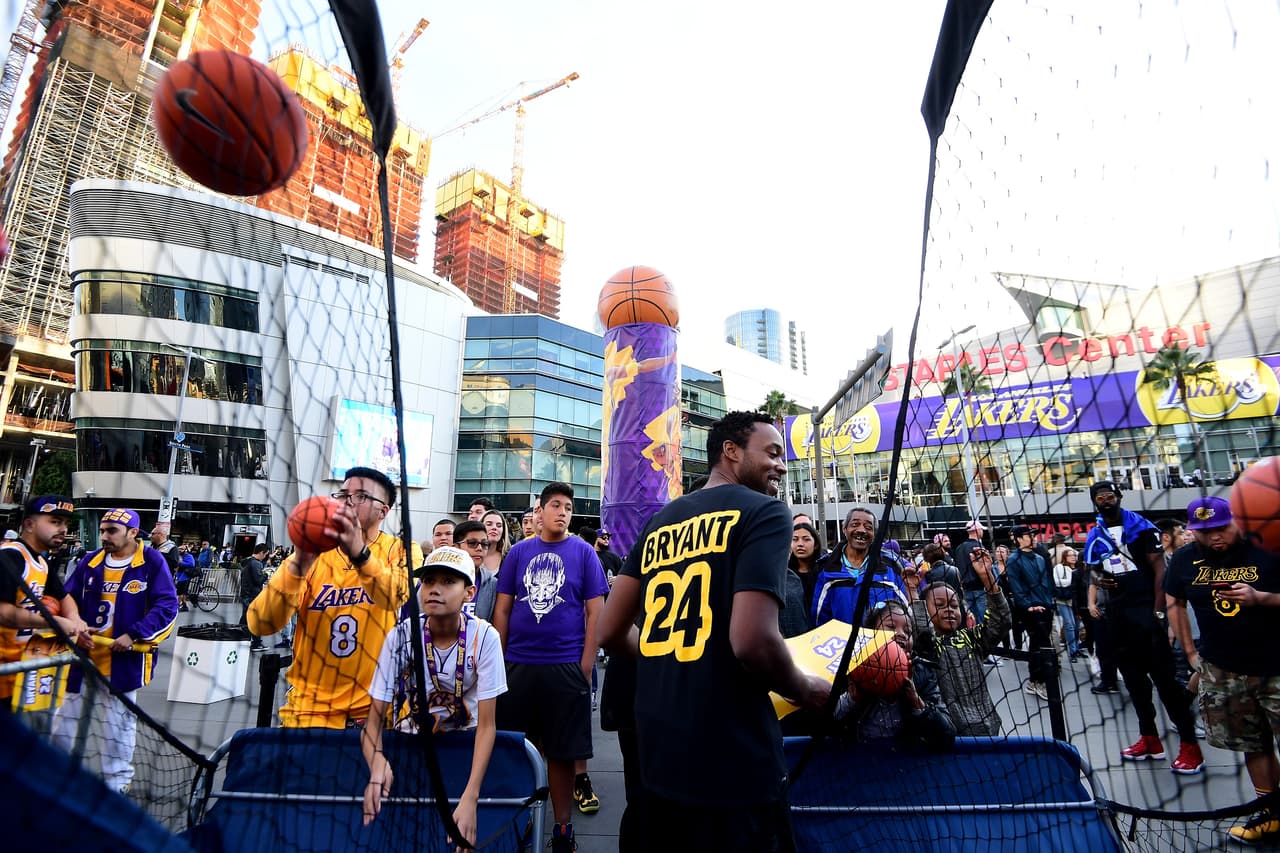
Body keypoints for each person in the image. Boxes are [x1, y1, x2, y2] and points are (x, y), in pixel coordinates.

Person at [598, 411, 830, 853]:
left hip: (660, 754)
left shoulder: (661, 521)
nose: (781, 466)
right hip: (733, 762)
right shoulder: (765, 512)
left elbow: (609, 630)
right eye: (772, 453)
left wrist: (668, 657)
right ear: (731, 451)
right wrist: (804, 688)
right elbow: (752, 641)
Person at [247, 467, 420, 728]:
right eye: (342, 494)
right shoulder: (309, 556)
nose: (347, 502)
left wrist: (359, 553)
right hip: (309, 711)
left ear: (383, 511)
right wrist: (299, 565)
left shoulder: (401, 549)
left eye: (360, 496)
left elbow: (393, 597)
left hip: (376, 710)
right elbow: (260, 624)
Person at [361, 546, 507, 848]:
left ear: (469, 593)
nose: (435, 589)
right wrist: (376, 762)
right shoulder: (401, 636)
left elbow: (487, 725)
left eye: (448, 581)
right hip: (412, 746)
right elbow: (372, 723)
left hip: (465, 745)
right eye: (428, 581)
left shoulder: (485, 637)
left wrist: (471, 797)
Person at [493, 482, 610, 852]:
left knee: (562, 754)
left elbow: (595, 612)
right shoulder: (518, 553)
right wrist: (499, 662)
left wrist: (585, 666)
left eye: (568, 507)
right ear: (540, 511)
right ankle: (520, 824)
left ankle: (562, 829)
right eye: (556, 505)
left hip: (566, 668)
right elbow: (503, 609)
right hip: (518, 666)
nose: (563, 512)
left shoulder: (584, 553)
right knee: (518, 751)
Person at [1166, 496, 1279, 842]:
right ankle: (1271, 814)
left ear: (1236, 522)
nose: (1214, 536)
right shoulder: (1184, 559)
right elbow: (1174, 602)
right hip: (1224, 670)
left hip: (1276, 665)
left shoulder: (1268, 549)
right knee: (1252, 743)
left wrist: (1262, 598)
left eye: (1220, 528)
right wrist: (1190, 653)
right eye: (1204, 531)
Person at [52, 507, 178, 792]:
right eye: (102, 531)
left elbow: (167, 606)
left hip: (122, 660)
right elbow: (68, 597)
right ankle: (55, 770)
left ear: (133, 532)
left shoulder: (151, 561)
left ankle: (117, 781)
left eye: (112, 531)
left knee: (118, 723)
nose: (104, 536)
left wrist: (135, 634)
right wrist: (75, 626)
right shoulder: (91, 560)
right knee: (66, 717)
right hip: (85, 655)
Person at [1082, 480, 1201, 772]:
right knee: (1134, 682)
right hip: (1117, 614)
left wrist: (1158, 612)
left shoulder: (1142, 528)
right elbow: (1092, 570)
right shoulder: (1095, 533)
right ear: (1094, 501)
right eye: (1100, 497)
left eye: (1110, 495)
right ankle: (1150, 739)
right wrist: (1100, 580)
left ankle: (1190, 746)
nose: (1106, 500)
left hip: (1146, 611)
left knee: (1166, 682)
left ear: (1119, 497)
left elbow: (1160, 570)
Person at [0, 496, 89, 710]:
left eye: (65, 523)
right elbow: (3, 612)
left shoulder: (41, 562)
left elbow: (64, 597)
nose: (63, 529)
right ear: (29, 524)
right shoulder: (11, 557)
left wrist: (75, 621)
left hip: (20, 672)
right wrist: (54, 622)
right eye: (55, 521)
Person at [911, 548, 1010, 736]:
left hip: (988, 730)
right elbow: (921, 630)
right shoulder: (926, 647)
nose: (949, 609)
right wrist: (912, 593)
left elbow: (1001, 621)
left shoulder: (972, 638)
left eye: (954, 605)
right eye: (940, 605)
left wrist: (987, 576)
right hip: (949, 734)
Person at [836, 599, 954, 751]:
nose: (901, 634)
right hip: (854, 757)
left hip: (905, 760)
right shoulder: (849, 666)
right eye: (891, 627)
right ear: (870, 632)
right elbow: (820, 724)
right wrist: (851, 700)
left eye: (908, 631)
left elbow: (947, 735)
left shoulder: (923, 672)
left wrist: (917, 703)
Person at [812, 507, 907, 627]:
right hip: (841, 639)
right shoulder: (826, 568)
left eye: (868, 527)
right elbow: (819, 619)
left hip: (881, 639)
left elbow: (905, 614)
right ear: (844, 529)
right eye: (855, 524)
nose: (861, 530)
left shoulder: (892, 567)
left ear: (874, 534)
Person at [1005, 525, 1054, 701]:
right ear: (1018, 539)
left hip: (1045, 606)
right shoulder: (1014, 560)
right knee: (1041, 644)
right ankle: (1038, 681)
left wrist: (1048, 601)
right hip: (1031, 609)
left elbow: (1047, 581)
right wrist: (1028, 606)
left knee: (1038, 644)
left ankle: (1034, 681)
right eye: (1028, 535)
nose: (1033, 538)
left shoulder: (1040, 558)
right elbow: (1015, 585)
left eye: (1033, 535)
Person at [453, 521, 497, 622]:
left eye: (484, 544)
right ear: (455, 547)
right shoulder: (435, 580)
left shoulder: (493, 585)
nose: (479, 548)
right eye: (472, 543)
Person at [955, 520, 991, 620]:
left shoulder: (959, 548)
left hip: (965, 588)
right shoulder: (978, 547)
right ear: (977, 530)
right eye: (981, 530)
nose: (982, 532)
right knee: (984, 619)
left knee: (971, 619)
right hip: (979, 587)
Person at [1053, 547, 1084, 662]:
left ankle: (1076, 648)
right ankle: (1073, 652)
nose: (1073, 557)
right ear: (1065, 557)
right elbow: (1057, 582)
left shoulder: (1079, 569)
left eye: (1074, 555)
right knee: (1069, 625)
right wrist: (1071, 580)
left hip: (1076, 602)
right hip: (1063, 600)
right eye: (1070, 555)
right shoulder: (1059, 567)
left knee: (1076, 626)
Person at [789, 522, 821, 624]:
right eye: (795, 539)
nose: (800, 544)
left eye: (806, 539)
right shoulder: (785, 574)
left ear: (816, 544)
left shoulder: (825, 571)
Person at [239, 543, 269, 652]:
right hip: (253, 595)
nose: (265, 557)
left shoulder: (246, 562)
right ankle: (256, 643)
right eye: (265, 554)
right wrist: (266, 574)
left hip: (245, 594)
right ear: (261, 553)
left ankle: (242, 640)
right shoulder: (256, 564)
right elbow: (258, 580)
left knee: (245, 619)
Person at [479, 509, 509, 577]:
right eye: (489, 524)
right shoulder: (469, 556)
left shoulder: (509, 558)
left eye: (499, 525)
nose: (494, 528)